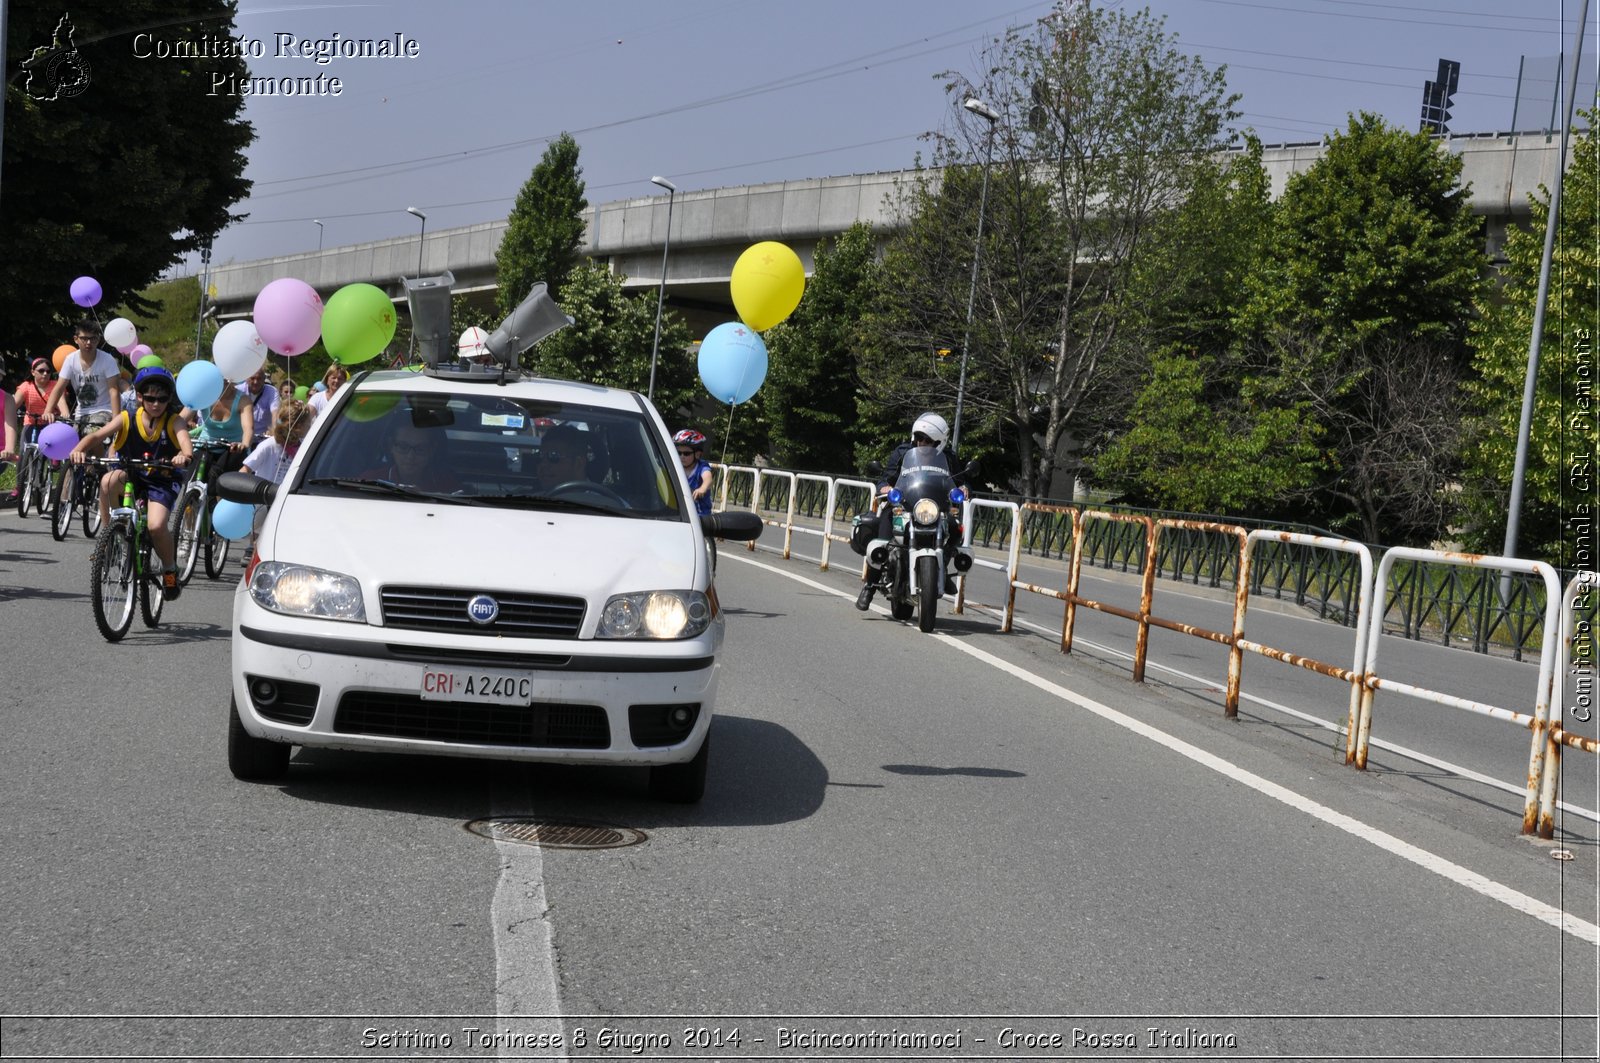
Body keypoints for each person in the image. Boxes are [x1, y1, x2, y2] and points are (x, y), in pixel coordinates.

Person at [69, 366, 193, 600]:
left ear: (169, 399)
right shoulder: (127, 418)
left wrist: (183, 456)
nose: (156, 403)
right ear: (139, 397)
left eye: (162, 399)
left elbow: (186, 443)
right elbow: (97, 436)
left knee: (156, 527)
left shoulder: (174, 421)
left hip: (162, 480)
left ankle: (169, 570)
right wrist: (78, 450)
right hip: (132, 473)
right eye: (150, 398)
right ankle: (110, 538)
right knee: (107, 480)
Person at [855, 411, 971, 610]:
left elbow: (960, 480)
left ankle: (941, 567)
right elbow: (885, 478)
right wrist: (886, 488)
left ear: (940, 442)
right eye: (919, 438)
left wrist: (964, 488)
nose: (921, 443)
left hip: (936, 510)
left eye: (927, 440)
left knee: (955, 529)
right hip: (904, 507)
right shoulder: (903, 452)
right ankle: (870, 586)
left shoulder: (948, 457)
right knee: (882, 537)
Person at [43, 320, 122, 458]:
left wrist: (116, 420)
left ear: (99, 339)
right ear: (76, 339)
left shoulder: (107, 360)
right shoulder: (70, 360)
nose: (88, 343)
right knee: (69, 444)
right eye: (84, 338)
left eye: (93, 338)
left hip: (103, 410)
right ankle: (71, 477)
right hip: (81, 413)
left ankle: (98, 469)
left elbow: (113, 390)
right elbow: (59, 387)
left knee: (92, 435)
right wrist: (48, 410)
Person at [363, 416, 460, 492]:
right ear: (391, 446)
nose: (410, 456)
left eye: (420, 448)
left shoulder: (446, 485)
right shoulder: (370, 481)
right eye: (403, 447)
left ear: (432, 450)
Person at [186, 378, 255, 476]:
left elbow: (248, 429)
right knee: (190, 481)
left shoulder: (244, 400)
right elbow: (180, 420)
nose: (224, 381)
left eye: (227, 378)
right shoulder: (203, 395)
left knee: (217, 482)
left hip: (232, 450)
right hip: (204, 447)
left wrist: (243, 445)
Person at [535, 422, 590, 492]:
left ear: (579, 464)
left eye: (554, 456)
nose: (543, 464)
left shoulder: (600, 501)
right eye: (540, 456)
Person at [14, 357, 54, 446]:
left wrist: (64, 414)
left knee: (53, 455)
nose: (45, 374)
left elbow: (62, 404)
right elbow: (12, 406)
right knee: (24, 452)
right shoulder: (26, 386)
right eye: (41, 371)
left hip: (51, 424)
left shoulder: (55, 386)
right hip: (31, 423)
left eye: (48, 371)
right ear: (33, 372)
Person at [674, 428, 713, 516]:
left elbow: (708, 479)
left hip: (700, 515)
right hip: (681, 514)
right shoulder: (676, 466)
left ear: (697, 454)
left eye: (686, 453)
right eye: (679, 453)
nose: (682, 456)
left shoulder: (701, 466)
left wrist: (702, 488)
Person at [241, 368, 280, 448]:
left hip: (261, 439)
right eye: (252, 378)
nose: (256, 382)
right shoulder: (238, 390)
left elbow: (275, 414)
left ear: (264, 379)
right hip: (241, 438)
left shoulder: (272, 391)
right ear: (246, 378)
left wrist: (274, 431)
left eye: (259, 379)